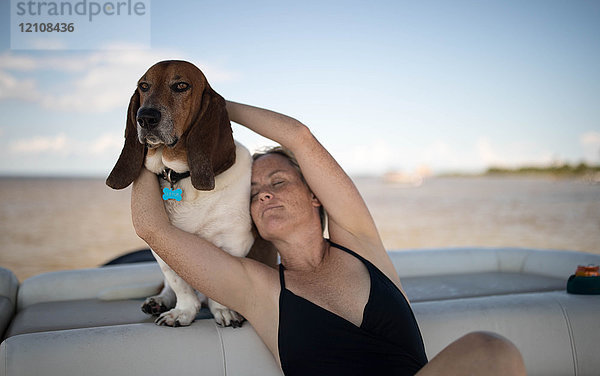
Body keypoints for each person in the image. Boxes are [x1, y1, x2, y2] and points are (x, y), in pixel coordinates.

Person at [131, 101, 526, 375]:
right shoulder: (256, 288)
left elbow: (299, 136)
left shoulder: (362, 245)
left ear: (316, 195)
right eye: (251, 193)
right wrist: (145, 150)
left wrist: (210, 105)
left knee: (489, 348)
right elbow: (153, 228)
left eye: (278, 181)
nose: (264, 193)